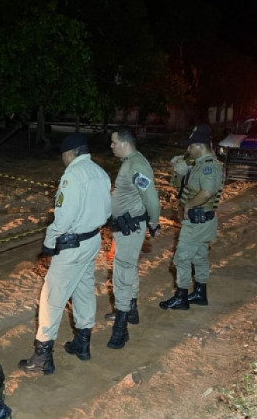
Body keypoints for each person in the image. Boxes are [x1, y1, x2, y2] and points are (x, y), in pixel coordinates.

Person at [18, 133, 111, 375]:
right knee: (83, 288)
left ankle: (42, 356)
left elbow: (63, 218)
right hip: (92, 240)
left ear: (70, 153)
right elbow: (107, 209)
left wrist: (49, 243)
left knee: (52, 297)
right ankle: (82, 343)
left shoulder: (72, 176)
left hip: (71, 246)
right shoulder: (100, 172)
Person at [104, 126, 161, 350]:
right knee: (128, 267)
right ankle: (132, 311)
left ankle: (121, 326)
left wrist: (154, 222)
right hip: (125, 227)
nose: (111, 146)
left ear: (125, 143)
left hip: (130, 227)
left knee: (122, 272)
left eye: (113, 142)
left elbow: (152, 198)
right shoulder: (131, 162)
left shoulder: (136, 164)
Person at [160, 124, 223, 310]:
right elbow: (181, 187)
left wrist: (188, 205)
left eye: (190, 146)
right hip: (200, 220)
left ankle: (181, 297)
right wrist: (179, 171)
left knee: (181, 258)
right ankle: (200, 293)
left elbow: (206, 192)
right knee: (199, 256)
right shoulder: (199, 165)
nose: (188, 150)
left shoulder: (209, 167)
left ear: (200, 146)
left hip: (197, 221)